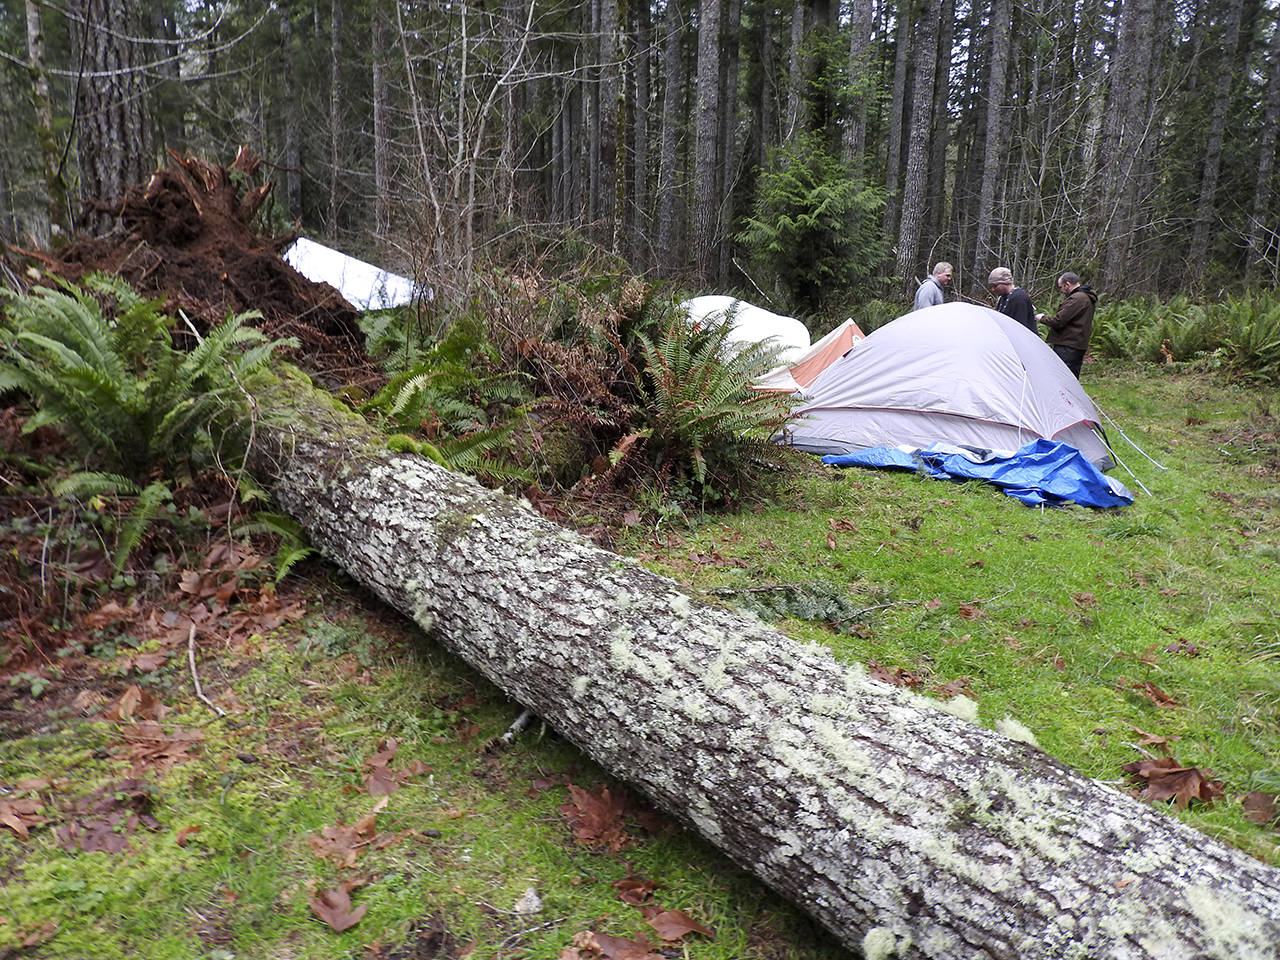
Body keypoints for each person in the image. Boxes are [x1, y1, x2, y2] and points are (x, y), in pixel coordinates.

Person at [1036, 272, 1097, 378]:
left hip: (1068, 346)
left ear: (1067, 284)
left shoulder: (1077, 299)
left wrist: (1042, 318)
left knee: (1062, 377)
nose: (1061, 291)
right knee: (1071, 377)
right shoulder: (1085, 297)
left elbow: (1059, 321)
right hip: (1076, 344)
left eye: (1061, 287)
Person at [987, 266, 1036, 334]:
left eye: (995, 286)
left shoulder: (1019, 298)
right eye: (991, 286)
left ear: (1005, 282)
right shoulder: (1002, 298)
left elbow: (1020, 327)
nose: (992, 289)